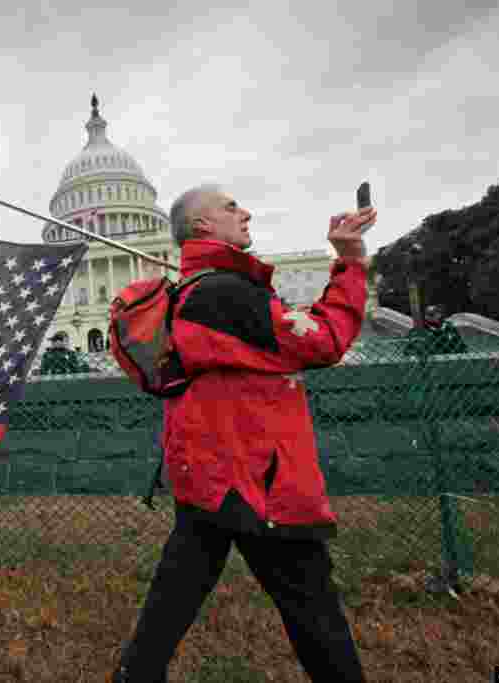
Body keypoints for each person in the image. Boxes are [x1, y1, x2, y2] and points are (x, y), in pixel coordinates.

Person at [110, 185, 376, 683]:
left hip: (208, 472)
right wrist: (352, 263)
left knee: (173, 601)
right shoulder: (224, 293)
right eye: (231, 207)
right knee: (313, 609)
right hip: (254, 478)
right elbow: (323, 340)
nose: (246, 212)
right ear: (203, 226)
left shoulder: (199, 291)